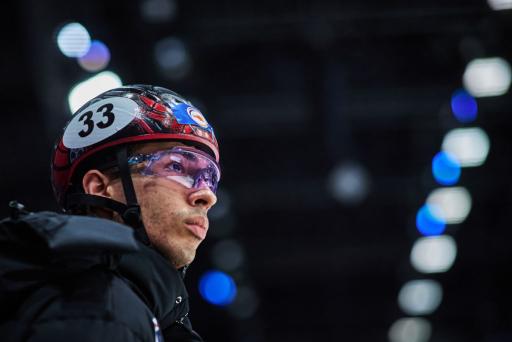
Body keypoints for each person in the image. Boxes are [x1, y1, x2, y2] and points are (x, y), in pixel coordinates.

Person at [0, 85, 220, 341]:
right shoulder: (100, 306)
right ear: (101, 187)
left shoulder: (138, 312)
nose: (208, 196)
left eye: (209, 178)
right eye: (176, 166)